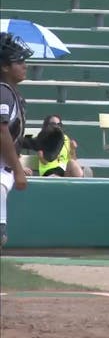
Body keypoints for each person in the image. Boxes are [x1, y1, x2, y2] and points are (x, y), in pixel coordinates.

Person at [0, 32, 33, 249]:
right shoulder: (3, 92)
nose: (24, 65)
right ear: (4, 66)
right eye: (19, 61)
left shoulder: (11, 93)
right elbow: (1, 131)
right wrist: (19, 169)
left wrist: (36, 143)